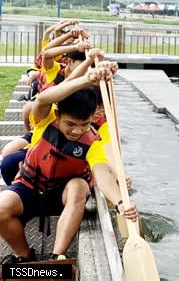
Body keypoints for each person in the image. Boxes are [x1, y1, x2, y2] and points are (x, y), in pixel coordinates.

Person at [0, 66, 138, 263]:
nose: (77, 131)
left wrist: (121, 203)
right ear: (58, 116)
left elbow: (102, 174)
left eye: (85, 124)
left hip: (62, 196)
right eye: (71, 124)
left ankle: (57, 257)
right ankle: (23, 257)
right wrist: (86, 79)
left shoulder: (93, 142)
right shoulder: (44, 120)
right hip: (30, 187)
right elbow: (43, 99)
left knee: (79, 186)